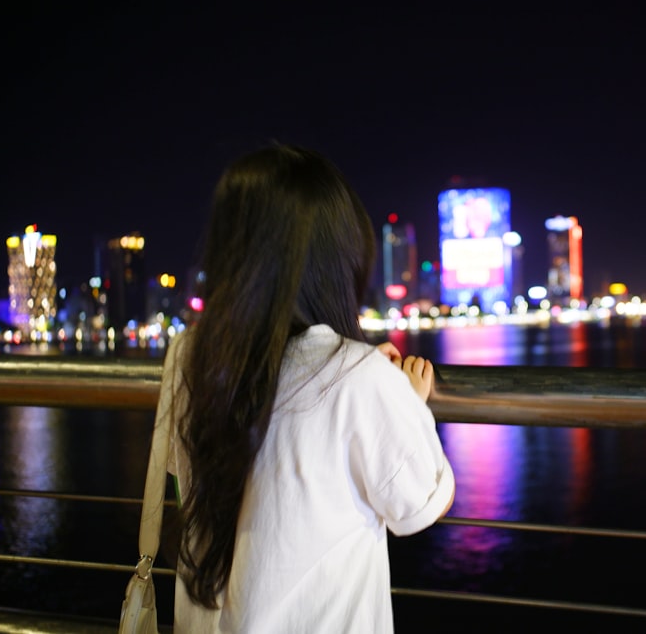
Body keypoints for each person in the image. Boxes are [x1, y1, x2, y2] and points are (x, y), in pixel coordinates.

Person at [156, 144, 456, 633]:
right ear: (337, 260)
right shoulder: (359, 378)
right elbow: (425, 503)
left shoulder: (188, 355)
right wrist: (400, 400)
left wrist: (365, 379)